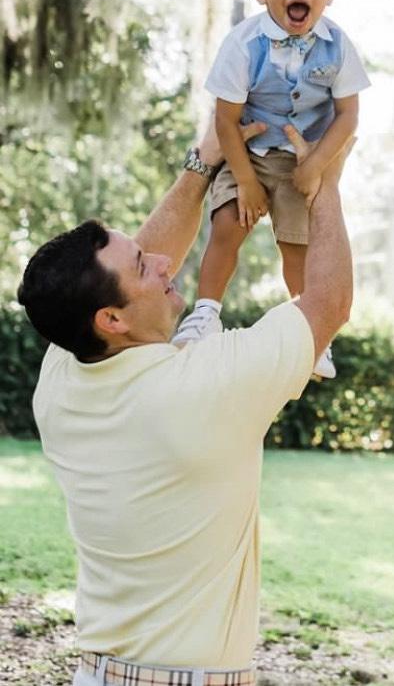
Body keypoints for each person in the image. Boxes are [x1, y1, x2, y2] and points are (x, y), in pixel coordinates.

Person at [17, 118, 353, 685]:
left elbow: (146, 257)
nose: (163, 262)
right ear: (112, 319)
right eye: (141, 265)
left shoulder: (61, 375)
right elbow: (328, 303)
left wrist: (205, 159)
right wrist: (325, 182)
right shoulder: (205, 387)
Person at [174, 0, 370, 380]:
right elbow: (225, 120)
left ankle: (308, 334)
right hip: (246, 150)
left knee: (296, 245)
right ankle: (205, 313)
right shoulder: (244, 44)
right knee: (227, 224)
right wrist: (244, 181)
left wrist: (315, 166)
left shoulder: (338, 46)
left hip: (302, 157)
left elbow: (348, 116)